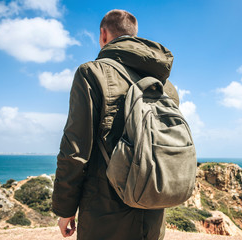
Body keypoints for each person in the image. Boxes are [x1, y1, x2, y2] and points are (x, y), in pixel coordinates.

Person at [52, 9, 179, 240]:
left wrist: (65, 209)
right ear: (134, 35)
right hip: (153, 213)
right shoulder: (166, 86)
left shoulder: (91, 73)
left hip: (105, 214)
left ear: (103, 35)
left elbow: (75, 149)